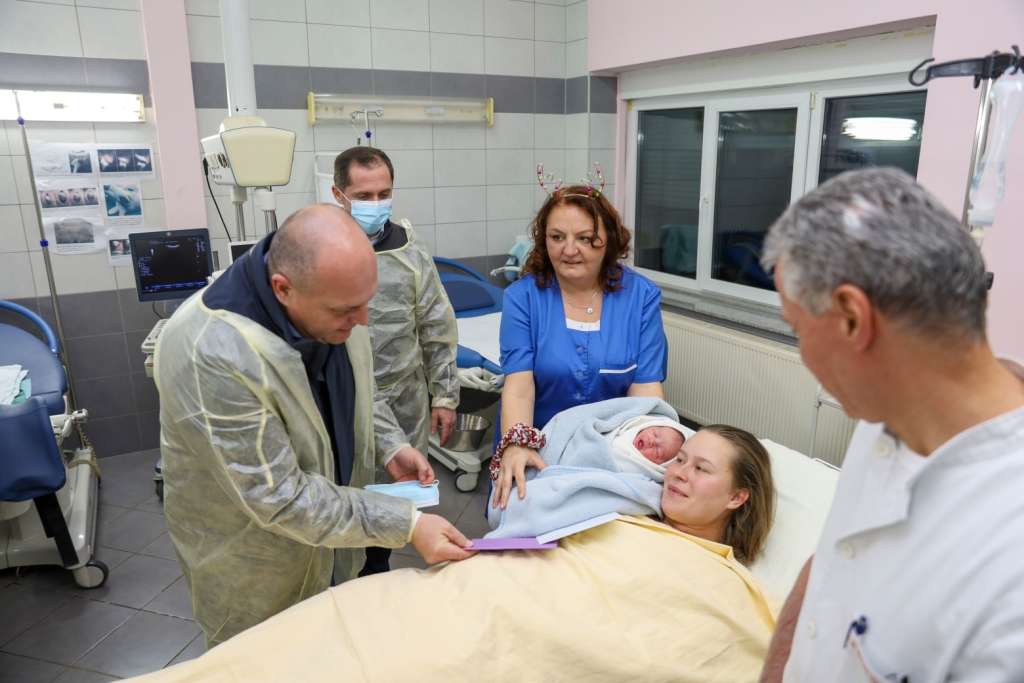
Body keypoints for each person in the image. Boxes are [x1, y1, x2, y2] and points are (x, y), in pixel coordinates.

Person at [127, 422, 777, 683]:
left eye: (700, 469)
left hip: (508, 640)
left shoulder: (723, 585)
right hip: (457, 596)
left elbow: (682, 652)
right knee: (332, 626)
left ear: (739, 497)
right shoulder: (619, 515)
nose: (677, 473)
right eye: (679, 460)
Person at [154, 205, 472, 647]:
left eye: (365, 303)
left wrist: (389, 444)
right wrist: (408, 524)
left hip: (332, 541)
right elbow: (280, 499)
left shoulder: (331, 302)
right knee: (268, 660)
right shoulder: (213, 354)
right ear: (283, 289)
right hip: (259, 565)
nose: (363, 321)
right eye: (349, 310)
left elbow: (360, 387)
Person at [757, 168, 1024, 682]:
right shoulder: (888, 412)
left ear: (852, 319)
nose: (803, 353)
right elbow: (830, 563)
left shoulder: (1006, 576)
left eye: (797, 329)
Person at [494, 183, 669, 508]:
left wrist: (645, 457)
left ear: (609, 240)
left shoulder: (640, 297)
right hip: (537, 445)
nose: (569, 250)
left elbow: (645, 392)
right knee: (525, 514)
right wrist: (518, 444)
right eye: (557, 237)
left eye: (585, 238)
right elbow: (519, 387)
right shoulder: (523, 298)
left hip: (613, 449)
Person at [331, 147, 459, 576]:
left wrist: (445, 395)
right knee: (345, 499)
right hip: (344, 397)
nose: (376, 203)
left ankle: (377, 572)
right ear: (338, 194)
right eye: (363, 196)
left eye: (384, 193)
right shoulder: (323, 248)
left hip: (405, 399)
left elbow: (436, 323)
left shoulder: (408, 248)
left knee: (396, 497)